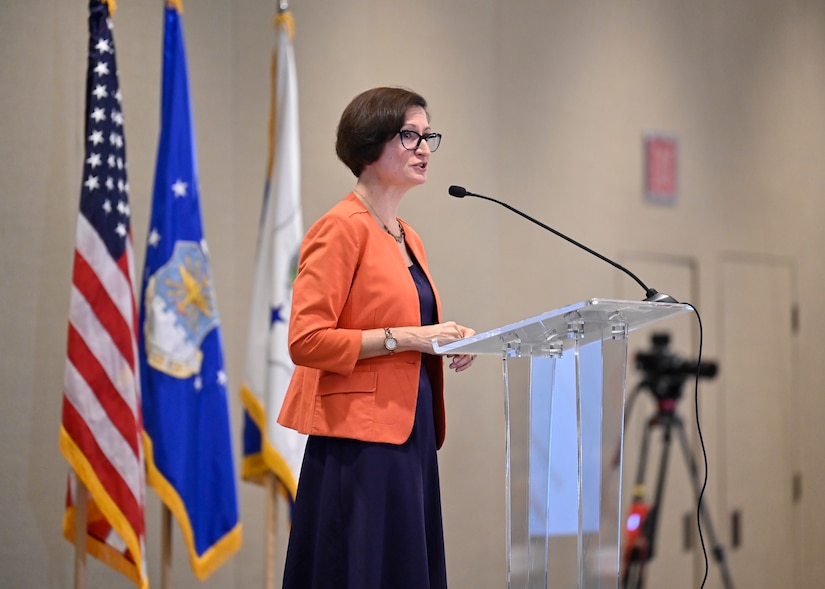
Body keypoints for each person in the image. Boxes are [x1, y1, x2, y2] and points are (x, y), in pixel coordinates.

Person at [278, 86, 477, 589]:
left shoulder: (408, 235)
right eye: (409, 135)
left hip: (411, 432)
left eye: (428, 134)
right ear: (369, 144)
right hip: (358, 441)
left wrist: (443, 341)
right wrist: (407, 337)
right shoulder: (340, 228)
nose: (424, 147)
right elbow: (306, 341)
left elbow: (413, 328)